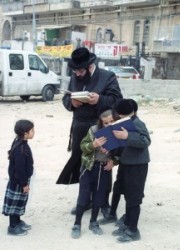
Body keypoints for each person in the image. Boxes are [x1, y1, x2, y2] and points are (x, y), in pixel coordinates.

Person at [56, 47, 123, 214]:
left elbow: (117, 101)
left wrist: (100, 99)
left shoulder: (108, 76)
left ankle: (103, 203)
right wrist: (72, 103)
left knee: (103, 161)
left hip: (101, 126)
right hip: (79, 126)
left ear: (89, 66)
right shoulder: (75, 75)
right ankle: (85, 200)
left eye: (79, 71)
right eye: (75, 71)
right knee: (82, 163)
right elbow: (66, 97)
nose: (77, 74)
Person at [99, 99, 151, 243]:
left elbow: (146, 141)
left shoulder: (137, 123)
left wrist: (128, 136)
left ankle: (133, 230)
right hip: (126, 163)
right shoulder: (125, 123)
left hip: (137, 165)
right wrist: (110, 147)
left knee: (133, 198)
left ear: (121, 113)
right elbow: (123, 146)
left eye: (119, 114)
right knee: (124, 192)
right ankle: (127, 224)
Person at [71, 110, 119, 239]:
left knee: (99, 196)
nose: (109, 125)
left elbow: (122, 153)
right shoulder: (94, 130)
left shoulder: (120, 132)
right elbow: (82, 146)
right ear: (101, 123)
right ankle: (77, 224)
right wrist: (94, 144)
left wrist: (113, 161)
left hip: (104, 169)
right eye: (105, 123)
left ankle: (93, 222)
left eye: (111, 122)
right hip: (89, 167)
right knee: (83, 196)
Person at [98, 98, 139, 226]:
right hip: (123, 162)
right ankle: (112, 214)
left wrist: (127, 137)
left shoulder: (135, 125)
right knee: (117, 188)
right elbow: (117, 148)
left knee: (133, 193)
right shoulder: (116, 127)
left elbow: (144, 141)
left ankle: (128, 218)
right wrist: (109, 152)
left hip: (134, 165)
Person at [2, 120, 35, 236]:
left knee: (19, 202)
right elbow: (19, 169)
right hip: (18, 182)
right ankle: (12, 226)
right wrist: (24, 184)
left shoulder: (21, 142)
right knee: (15, 204)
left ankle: (17, 221)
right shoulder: (20, 149)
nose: (34, 132)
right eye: (32, 130)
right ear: (25, 133)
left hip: (19, 181)